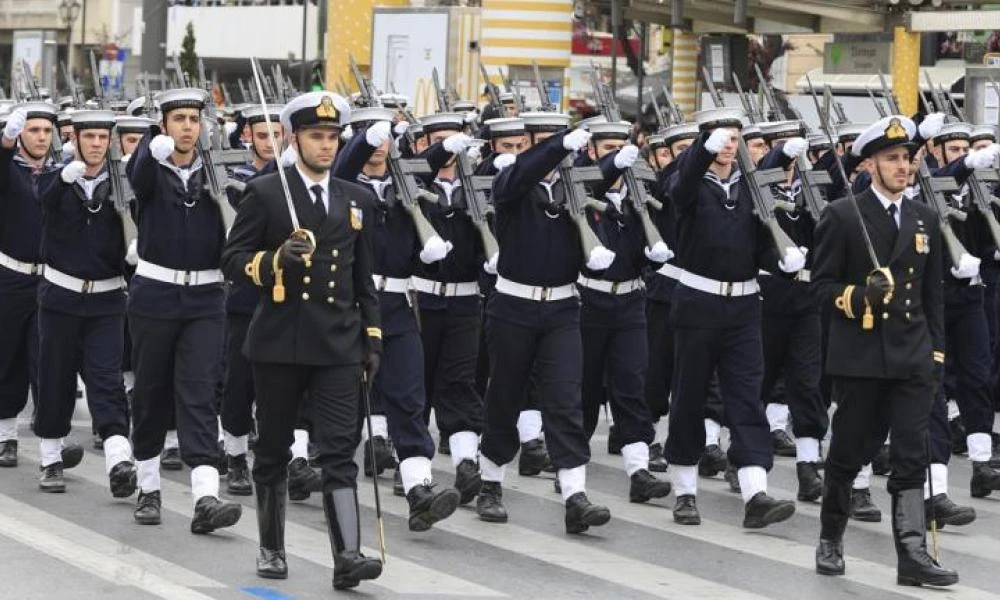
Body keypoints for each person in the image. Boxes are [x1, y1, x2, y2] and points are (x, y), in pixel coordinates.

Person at [223, 90, 384, 589]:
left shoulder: (356, 199)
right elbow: (232, 259)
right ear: (295, 138)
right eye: (317, 136)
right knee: (272, 448)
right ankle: (272, 548)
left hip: (338, 344)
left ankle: (348, 556)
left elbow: (364, 278)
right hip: (281, 343)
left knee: (339, 450)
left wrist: (373, 339)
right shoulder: (269, 193)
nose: (327, 145)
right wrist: (274, 261)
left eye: (333, 137)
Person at [812, 115, 957, 587]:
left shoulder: (924, 218)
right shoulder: (842, 215)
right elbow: (819, 289)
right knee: (851, 450)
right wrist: (858, 297)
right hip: (862, 358)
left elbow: (933, 296)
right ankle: (831, 537)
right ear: (870, 163)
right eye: (892, 158)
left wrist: (936, 355)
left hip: (912, 358)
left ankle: (912, 555)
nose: (903, 167)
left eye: (908, 158)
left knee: (913, 454)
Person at [665, 107, 801, 528]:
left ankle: (755, 492)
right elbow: (680, 186)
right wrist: (702, 150)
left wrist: (782, 259)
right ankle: (685, 491)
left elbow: (757, 244)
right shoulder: (688, 182)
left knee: (746, 399)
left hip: (744, 307)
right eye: (721, 136)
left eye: (735, 136)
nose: (729, 144)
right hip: (698, 304)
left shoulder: (751, 187)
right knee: (690, 397)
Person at [476, 111, 612, 532]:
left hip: (563, 307)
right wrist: (555, 146)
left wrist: (618, 154)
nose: (561, 148)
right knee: (505, 395)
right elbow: (521, 174)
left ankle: (574, 494)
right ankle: (490, 482)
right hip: (514, 306)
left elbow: (604, 177)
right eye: (549, 141)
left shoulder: (576, 187)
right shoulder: (511, 182)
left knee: (566, 398)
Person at [125, 87, 242, 533]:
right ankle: (148, 487)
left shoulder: (217, 174)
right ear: (164, 126)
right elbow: (139, 181)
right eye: (178, 120)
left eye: (193, 119)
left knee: (199, 393)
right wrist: (151, 154)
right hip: (155, 294)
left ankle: (205, 497)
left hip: (207, 299)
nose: (187, 128)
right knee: (152, 393)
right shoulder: (153, 167)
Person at [32, 109, 137, 496]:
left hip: (107, 298)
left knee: (107, 381)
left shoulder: (123, 183)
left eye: (101, 138)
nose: (95, 145)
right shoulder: (56, 178)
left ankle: (118, 460)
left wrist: (137, 250)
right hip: (60, 297)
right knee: (55, 378)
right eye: (87, 137)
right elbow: (40, 199)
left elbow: (140, 219)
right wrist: (62, 179)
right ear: (74, 140)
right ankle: (50, 458)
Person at [0, 102, 84, 471]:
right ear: (20, 134)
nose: (40, 137)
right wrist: (3, 144)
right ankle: (5, 436)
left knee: (50, 361)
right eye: (33, 130)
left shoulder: (59, 173)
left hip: (51, 278)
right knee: (7, 358)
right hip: (11, 276)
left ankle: (55, 440)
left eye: (46, 131)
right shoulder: (9, 170)